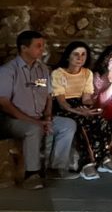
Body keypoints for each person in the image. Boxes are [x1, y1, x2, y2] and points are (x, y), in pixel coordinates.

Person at [0, 31, 79, 189]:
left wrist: (47, 117)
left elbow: (48, 96)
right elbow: (4, 103)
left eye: (42, 45)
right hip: (15, 121)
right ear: (24, 48)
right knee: (33, 129)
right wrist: (35, 122)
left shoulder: (42, 69)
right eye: (38, 46)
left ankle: (56, 168)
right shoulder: (8, 71)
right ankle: (31, 175)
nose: (42, 49)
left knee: (68, 125)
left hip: (39, 118)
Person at [51, 42, 112, 180]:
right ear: (68, 56)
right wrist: (78, 111)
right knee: (81, 122)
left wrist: (91, 108)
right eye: (76, 54)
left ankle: (104, 158)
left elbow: (87, 98)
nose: (80, 58)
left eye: (83, 55)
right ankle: (87, 163)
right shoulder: (58, 73)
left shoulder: (87, 73)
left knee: (100, 120)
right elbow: (62, 102)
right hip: (63, 107)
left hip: (80, 104)